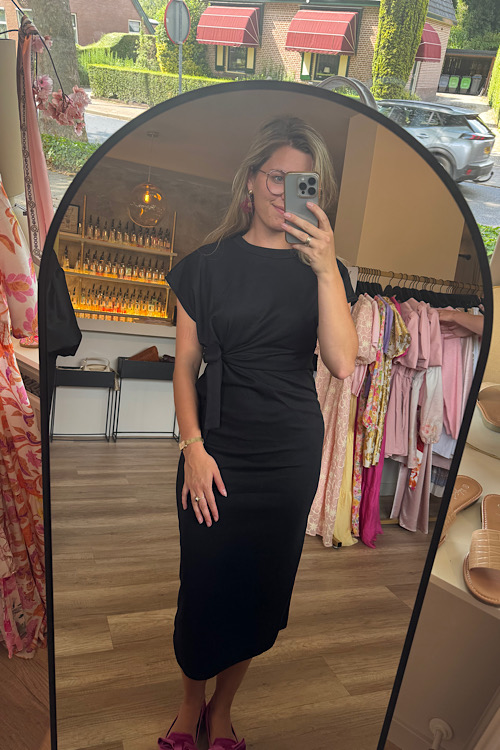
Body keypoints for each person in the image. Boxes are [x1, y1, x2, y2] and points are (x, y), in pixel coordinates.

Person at [159, 116, 358, 750]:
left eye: (303, 182)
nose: (284, 191)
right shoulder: (204, 266)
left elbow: (343, 362)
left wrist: (326, 271)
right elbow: (184, 367)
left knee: (257, 591)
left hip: (288, 456)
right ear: (250, 180)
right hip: (215, 448)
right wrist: (192, 449)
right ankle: (190, 704)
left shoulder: (326, 273)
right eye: (276, 176)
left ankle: (222, 711)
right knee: (204, 585)